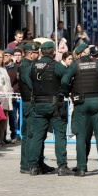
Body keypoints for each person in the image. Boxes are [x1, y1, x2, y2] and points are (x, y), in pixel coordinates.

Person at [61, 44, 98, 177]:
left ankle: (81, 168)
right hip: (97, 101)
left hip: (81, 102)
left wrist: (66, 92)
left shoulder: (76, 65)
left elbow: (64, 80)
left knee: (81, 136)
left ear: (80, 54)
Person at [22, 41, 69, 176]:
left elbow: (27, 80)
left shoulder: (32, 67)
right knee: (60, 135)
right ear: (53, 52)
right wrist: (62, 92)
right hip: (55, 104)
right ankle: (62, 166)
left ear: (41, 52)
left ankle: (33, 167)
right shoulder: (57, 66)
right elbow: (67, 79)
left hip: (38, 104)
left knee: (37, 136)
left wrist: (37, 91)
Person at [16, 42, 39, 174]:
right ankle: (30, 164)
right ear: (31, 54)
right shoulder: (27, 67)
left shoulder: (23, 65)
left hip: (27, 102)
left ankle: (28, 163)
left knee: (27, 134)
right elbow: (33, 85)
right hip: (31, 103)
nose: (38, 55)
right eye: (36, 53)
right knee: (31, 134)